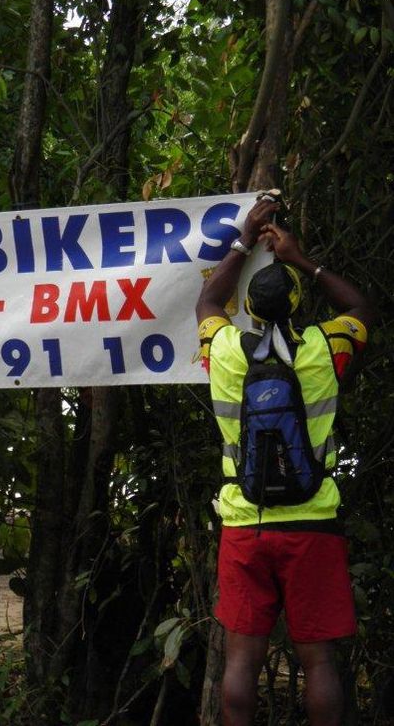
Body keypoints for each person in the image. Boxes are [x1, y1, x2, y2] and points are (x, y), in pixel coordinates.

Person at [195, 195, 375, 726]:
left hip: (244, 524)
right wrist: (302, 260)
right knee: (319, 660)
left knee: (241, 661)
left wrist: (245, 240)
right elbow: (362, 309)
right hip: (312, 523)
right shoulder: (323, 348)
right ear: (296, 305)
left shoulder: (226, 350)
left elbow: (207, 303)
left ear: (248, 310)